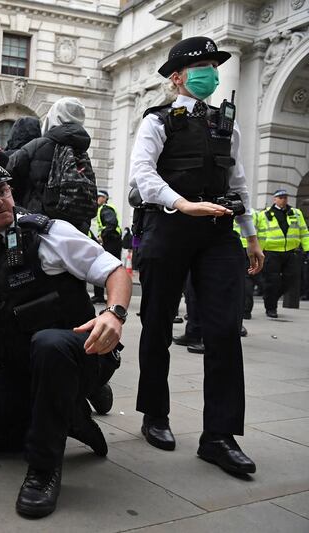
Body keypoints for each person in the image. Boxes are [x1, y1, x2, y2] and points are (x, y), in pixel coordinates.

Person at [0, 151, 131, 518]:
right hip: (23, 367)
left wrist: (114, 314)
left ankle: (43, 468)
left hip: (81, 357)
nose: (0, 201)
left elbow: (115, 270)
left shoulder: (48, 233)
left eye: (3, 191)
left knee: (49, 342)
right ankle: (67, 416)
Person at [129, 36, 264, 476]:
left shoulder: (228, 123)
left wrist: (252, 236)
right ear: (177, 76)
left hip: (217, 230)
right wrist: (181, 203)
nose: (210, 71)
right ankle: (155, 414)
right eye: (201, 64)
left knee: (224, 329)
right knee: (158, 324)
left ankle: (219, 437)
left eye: (214, 64)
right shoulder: (158, 120)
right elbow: (143, 175)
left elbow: (238, 181)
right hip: (168, 227)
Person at [6, 97, 91, 231]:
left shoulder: (37, 146)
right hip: (75, 231)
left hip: (40, 228)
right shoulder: (82, 152)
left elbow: (8, 175)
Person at [256, 190, 309, 318]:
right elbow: (260, 235)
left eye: (285, 197)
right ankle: (271, 307)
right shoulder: (265, 214)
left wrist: (307, 249)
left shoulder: (296, 213)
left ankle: (270, 297)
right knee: (272, 281)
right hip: (272, 253)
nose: (283, 199)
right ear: (274, 199)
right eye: (280, 197)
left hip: (291, 252)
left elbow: (304, 231)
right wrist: (259, 253)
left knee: (291, 279)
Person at [91, 190, 122, 304]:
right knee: (104, 268)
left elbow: (111, 224)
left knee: (105, 268)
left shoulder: (106, 209)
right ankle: (100, 296)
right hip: (111, 241)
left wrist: (102, 236)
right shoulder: (102, 209)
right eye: (97, 196)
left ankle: (104, 296)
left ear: (105, 198)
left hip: (111, 242)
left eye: (101, 196)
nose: (98, 198)